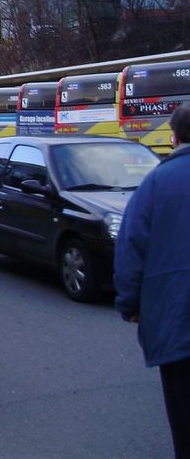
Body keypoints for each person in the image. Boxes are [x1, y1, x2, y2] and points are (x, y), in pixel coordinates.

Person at [114, 103, 190, 458]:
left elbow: (131, 249)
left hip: (177, 322)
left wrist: (130, 304)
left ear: (174, 137)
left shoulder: (157, 182)